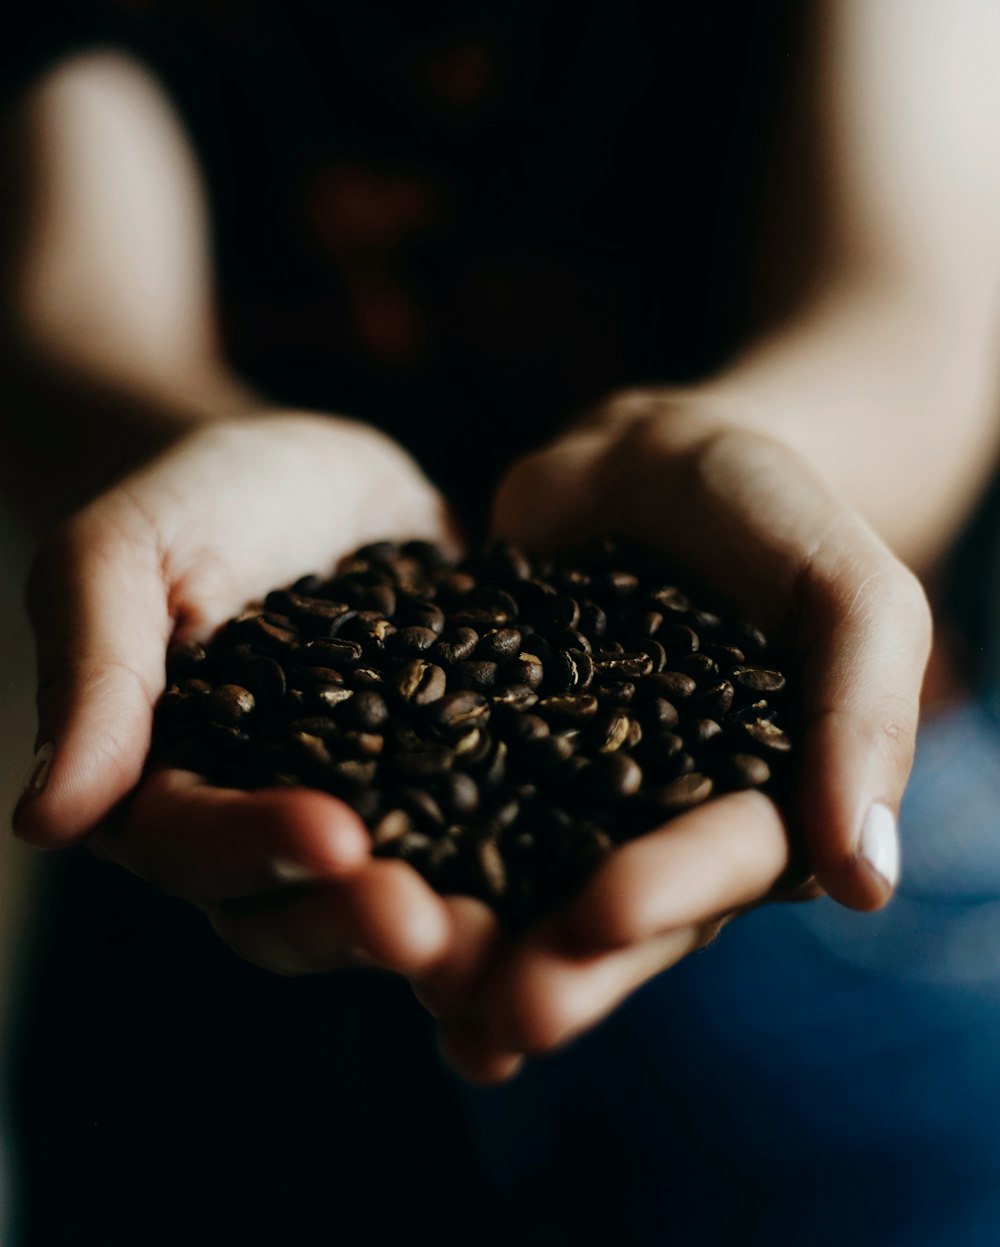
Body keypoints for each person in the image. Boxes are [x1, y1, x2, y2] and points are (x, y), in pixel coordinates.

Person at [4, 2, 1000, 1243]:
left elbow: (915, 309)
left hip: (848, 919)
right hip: (237, 877)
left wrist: (752, 460)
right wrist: (179, 456)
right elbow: (65, 329)